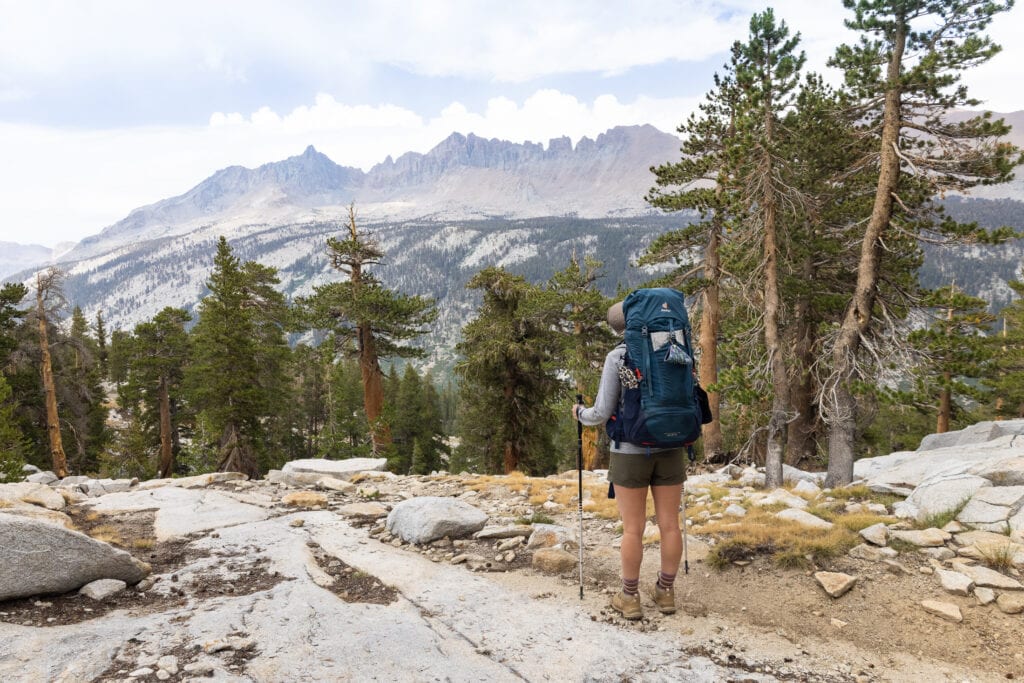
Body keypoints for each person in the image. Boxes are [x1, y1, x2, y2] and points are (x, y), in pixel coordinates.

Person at [572, 301, 687, 620]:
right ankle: (665, 592)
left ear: (616, 329)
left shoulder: (618, 356)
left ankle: (630, 597)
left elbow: (601, 412)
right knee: (669, 525)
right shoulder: (673, 345)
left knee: (633, 529)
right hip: (672, 446)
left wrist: (579, 414)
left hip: (630, 451)